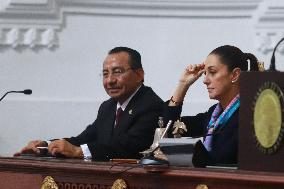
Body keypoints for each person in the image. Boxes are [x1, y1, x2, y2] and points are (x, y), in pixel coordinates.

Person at [15, 47, 164, 160]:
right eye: (105, 74)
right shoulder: (108, 107)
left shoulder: (151, 105)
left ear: (139, 75)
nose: (110, 80)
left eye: (117, 72)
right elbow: (82, 139)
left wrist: (78, 152)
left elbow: (127, 147)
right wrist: (45, 145)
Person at [163, 45, 260, 166]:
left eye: (212, 72)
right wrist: (183, 85)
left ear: (235, 75)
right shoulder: (214, 113)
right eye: (205, 73)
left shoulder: (252, 114)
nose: (205, 80)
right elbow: (169, 129)